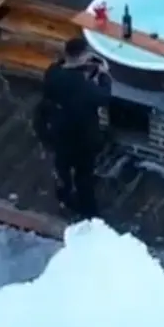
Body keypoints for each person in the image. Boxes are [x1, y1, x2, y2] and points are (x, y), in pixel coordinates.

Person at [34, 37, 108, 220]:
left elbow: (63, 76)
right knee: (84, 173)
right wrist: (104, 76)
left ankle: (64, 195)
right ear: (83, 56)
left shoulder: (53, 72)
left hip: (58, 130)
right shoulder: (83, 86)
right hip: (81, 135)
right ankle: (88, 210)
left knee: (63, 166)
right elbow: (103, 98)